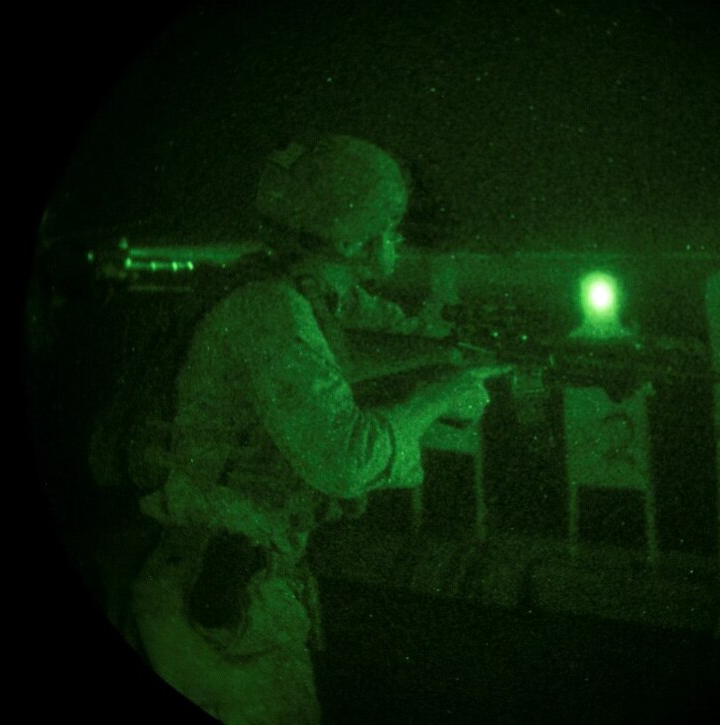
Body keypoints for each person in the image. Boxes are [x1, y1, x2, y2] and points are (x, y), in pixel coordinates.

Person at [130, 135, 502, 724]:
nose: (398, 239)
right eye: (390, 224)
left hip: (233, 586)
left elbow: (423, 349)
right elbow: (346, 463)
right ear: (353, 236)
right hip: (216, 603)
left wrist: (473, 358)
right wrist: (438, 394)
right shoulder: (271, 311)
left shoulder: (320, 301)